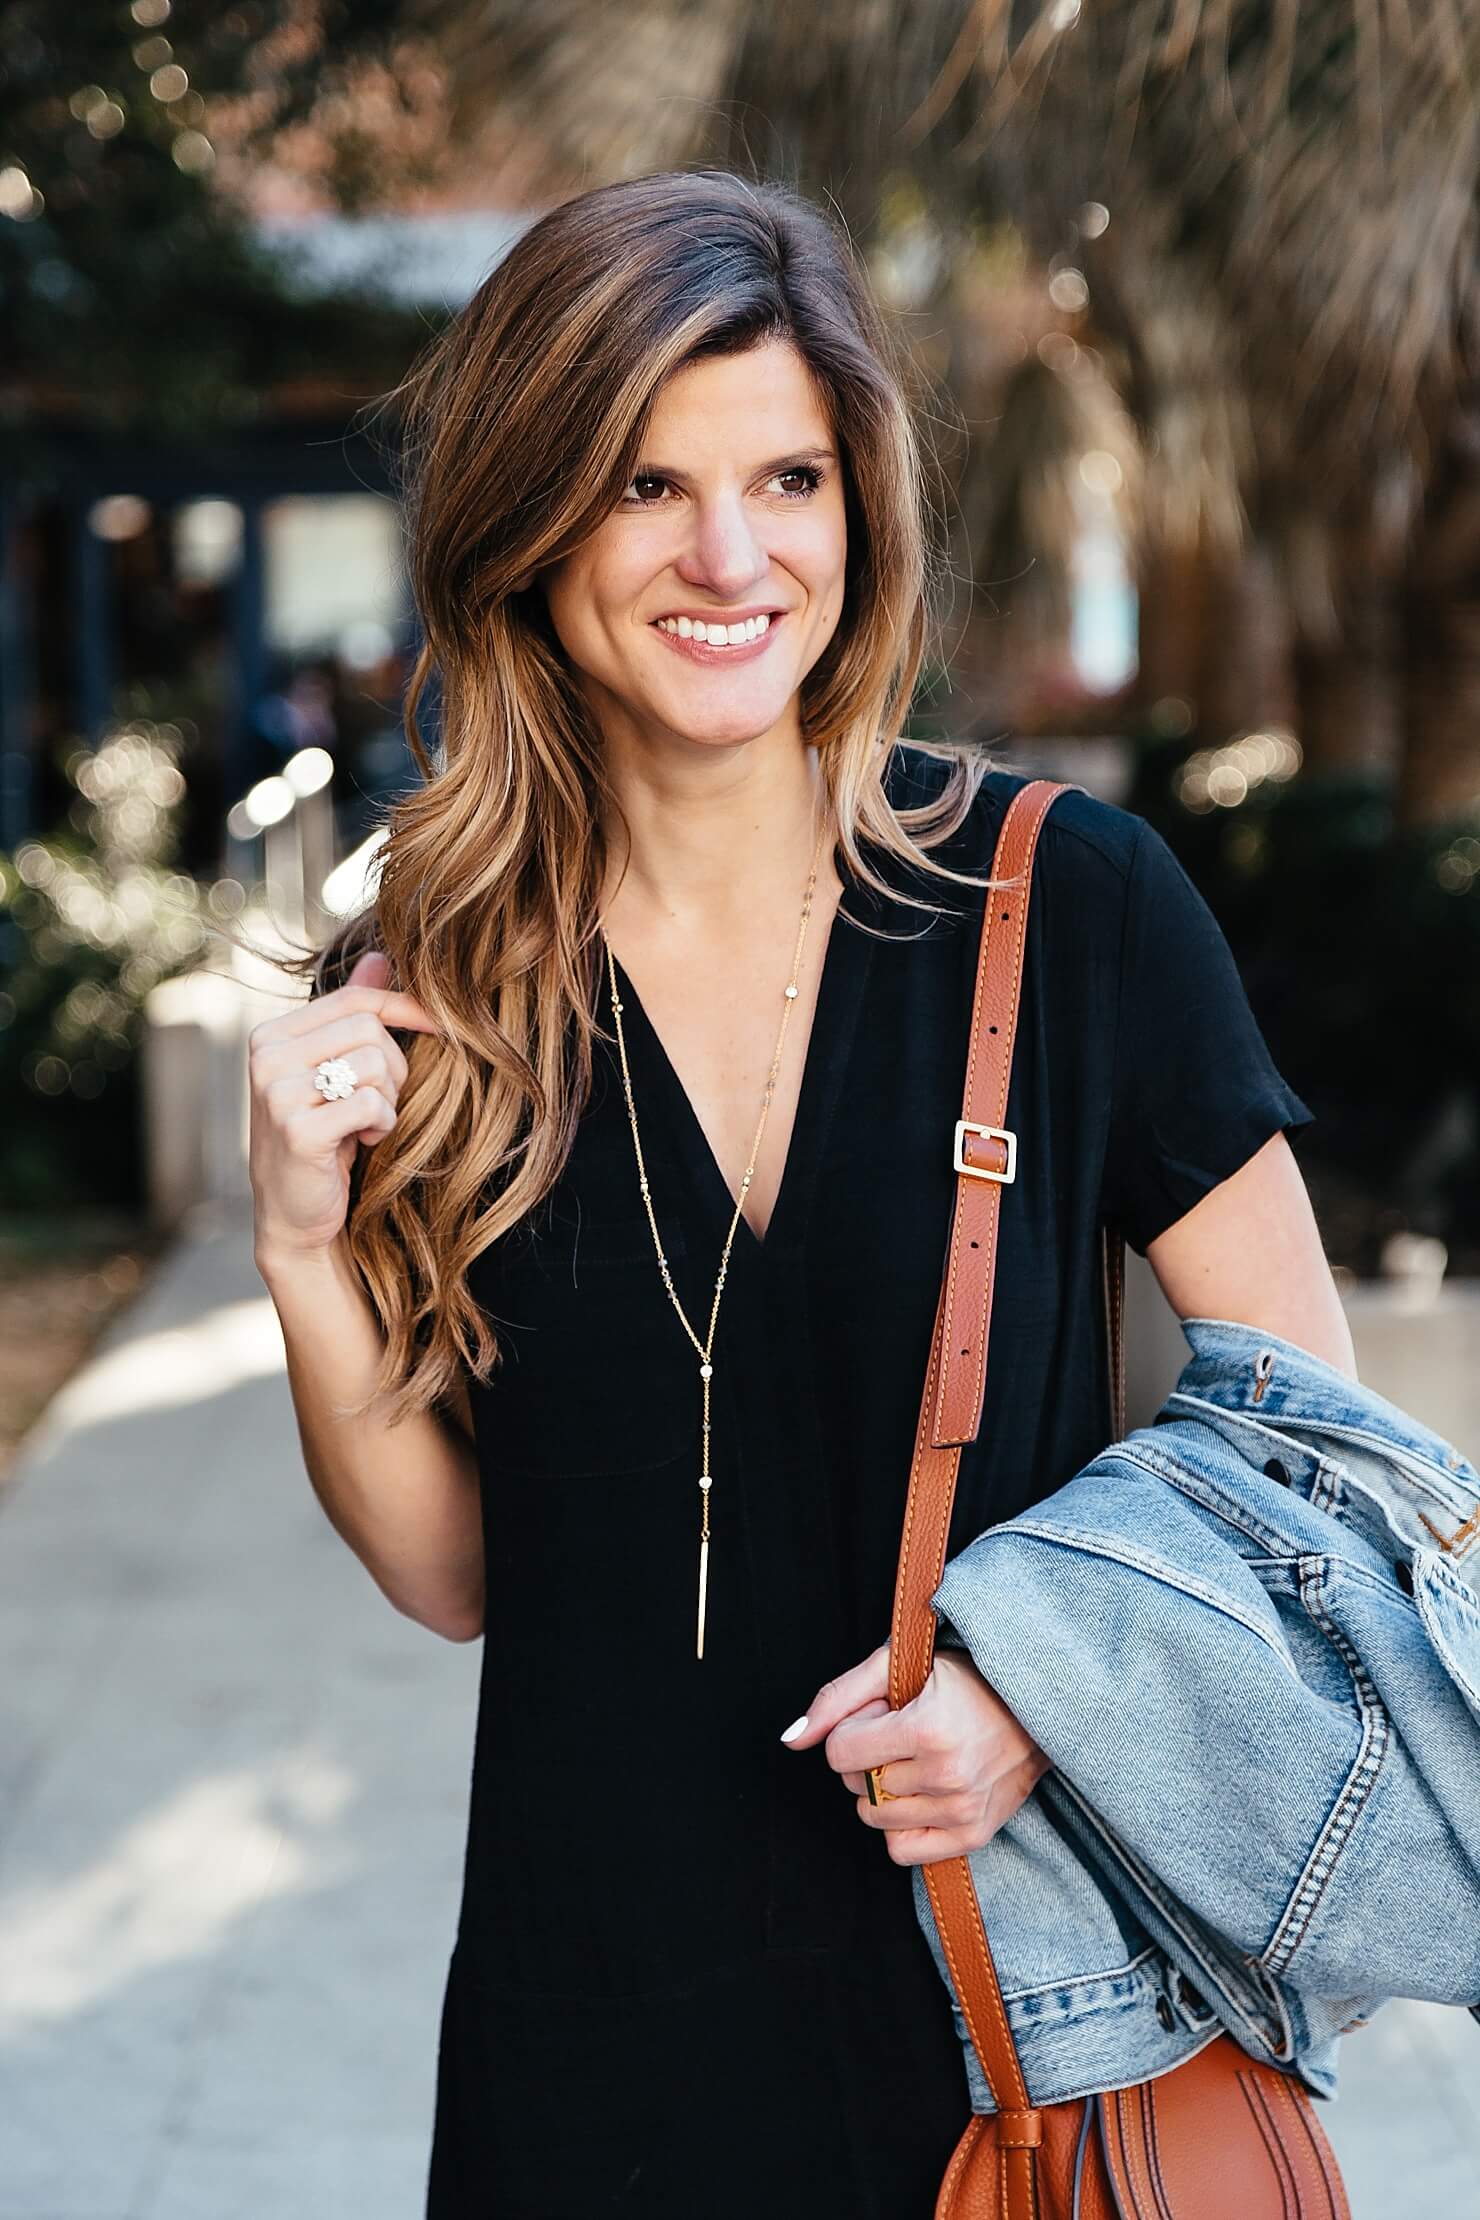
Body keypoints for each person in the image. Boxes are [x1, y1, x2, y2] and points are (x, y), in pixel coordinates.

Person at [246, 169, 1355, 2219]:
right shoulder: (439, 978)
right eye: (646, 486)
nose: (729, 556)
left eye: (789, 479)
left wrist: (1044, 1687)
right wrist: (306, 1258)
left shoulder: (1063, 906)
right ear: (528, 526)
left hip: (1007, 2036)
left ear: (861, 514)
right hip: (585, 2051)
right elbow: (460, 1574)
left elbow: (1309, 1434)